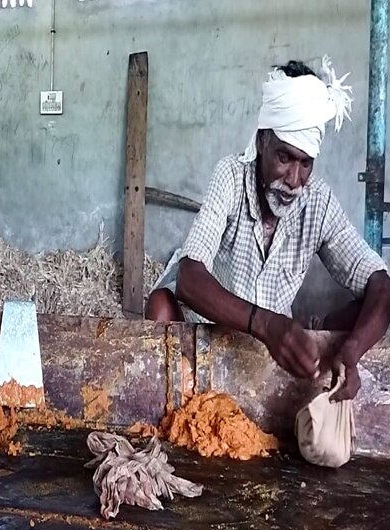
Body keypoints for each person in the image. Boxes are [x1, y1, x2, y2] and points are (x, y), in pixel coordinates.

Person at [146, 57, 390, 402]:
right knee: (159, 304)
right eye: (284, 158)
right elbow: (188, 277)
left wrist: (351, 352)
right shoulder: (231, 176)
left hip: (265, 356)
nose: (293, 180)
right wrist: (267, 324)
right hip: (207, 336)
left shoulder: (317, 202)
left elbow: (380, 283)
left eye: (305, 163)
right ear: (262, 141)